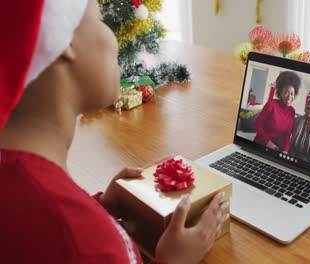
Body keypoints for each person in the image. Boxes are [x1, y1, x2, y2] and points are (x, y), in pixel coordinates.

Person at [0, 1, 228, 263]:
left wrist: (99, 208)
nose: (115, 37)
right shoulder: (91, 244)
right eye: (99, 19)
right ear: (64, 41)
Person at [253, 71, 301, 153]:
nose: (290, 96)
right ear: (280, 93)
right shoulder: (271, 104)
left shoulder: (292, 111)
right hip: (262, 142)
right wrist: (268, 142)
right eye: (286, 92)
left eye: (292, 93)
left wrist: (285, 151)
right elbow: (258, 124)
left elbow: (287, 134)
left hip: (276, 145)